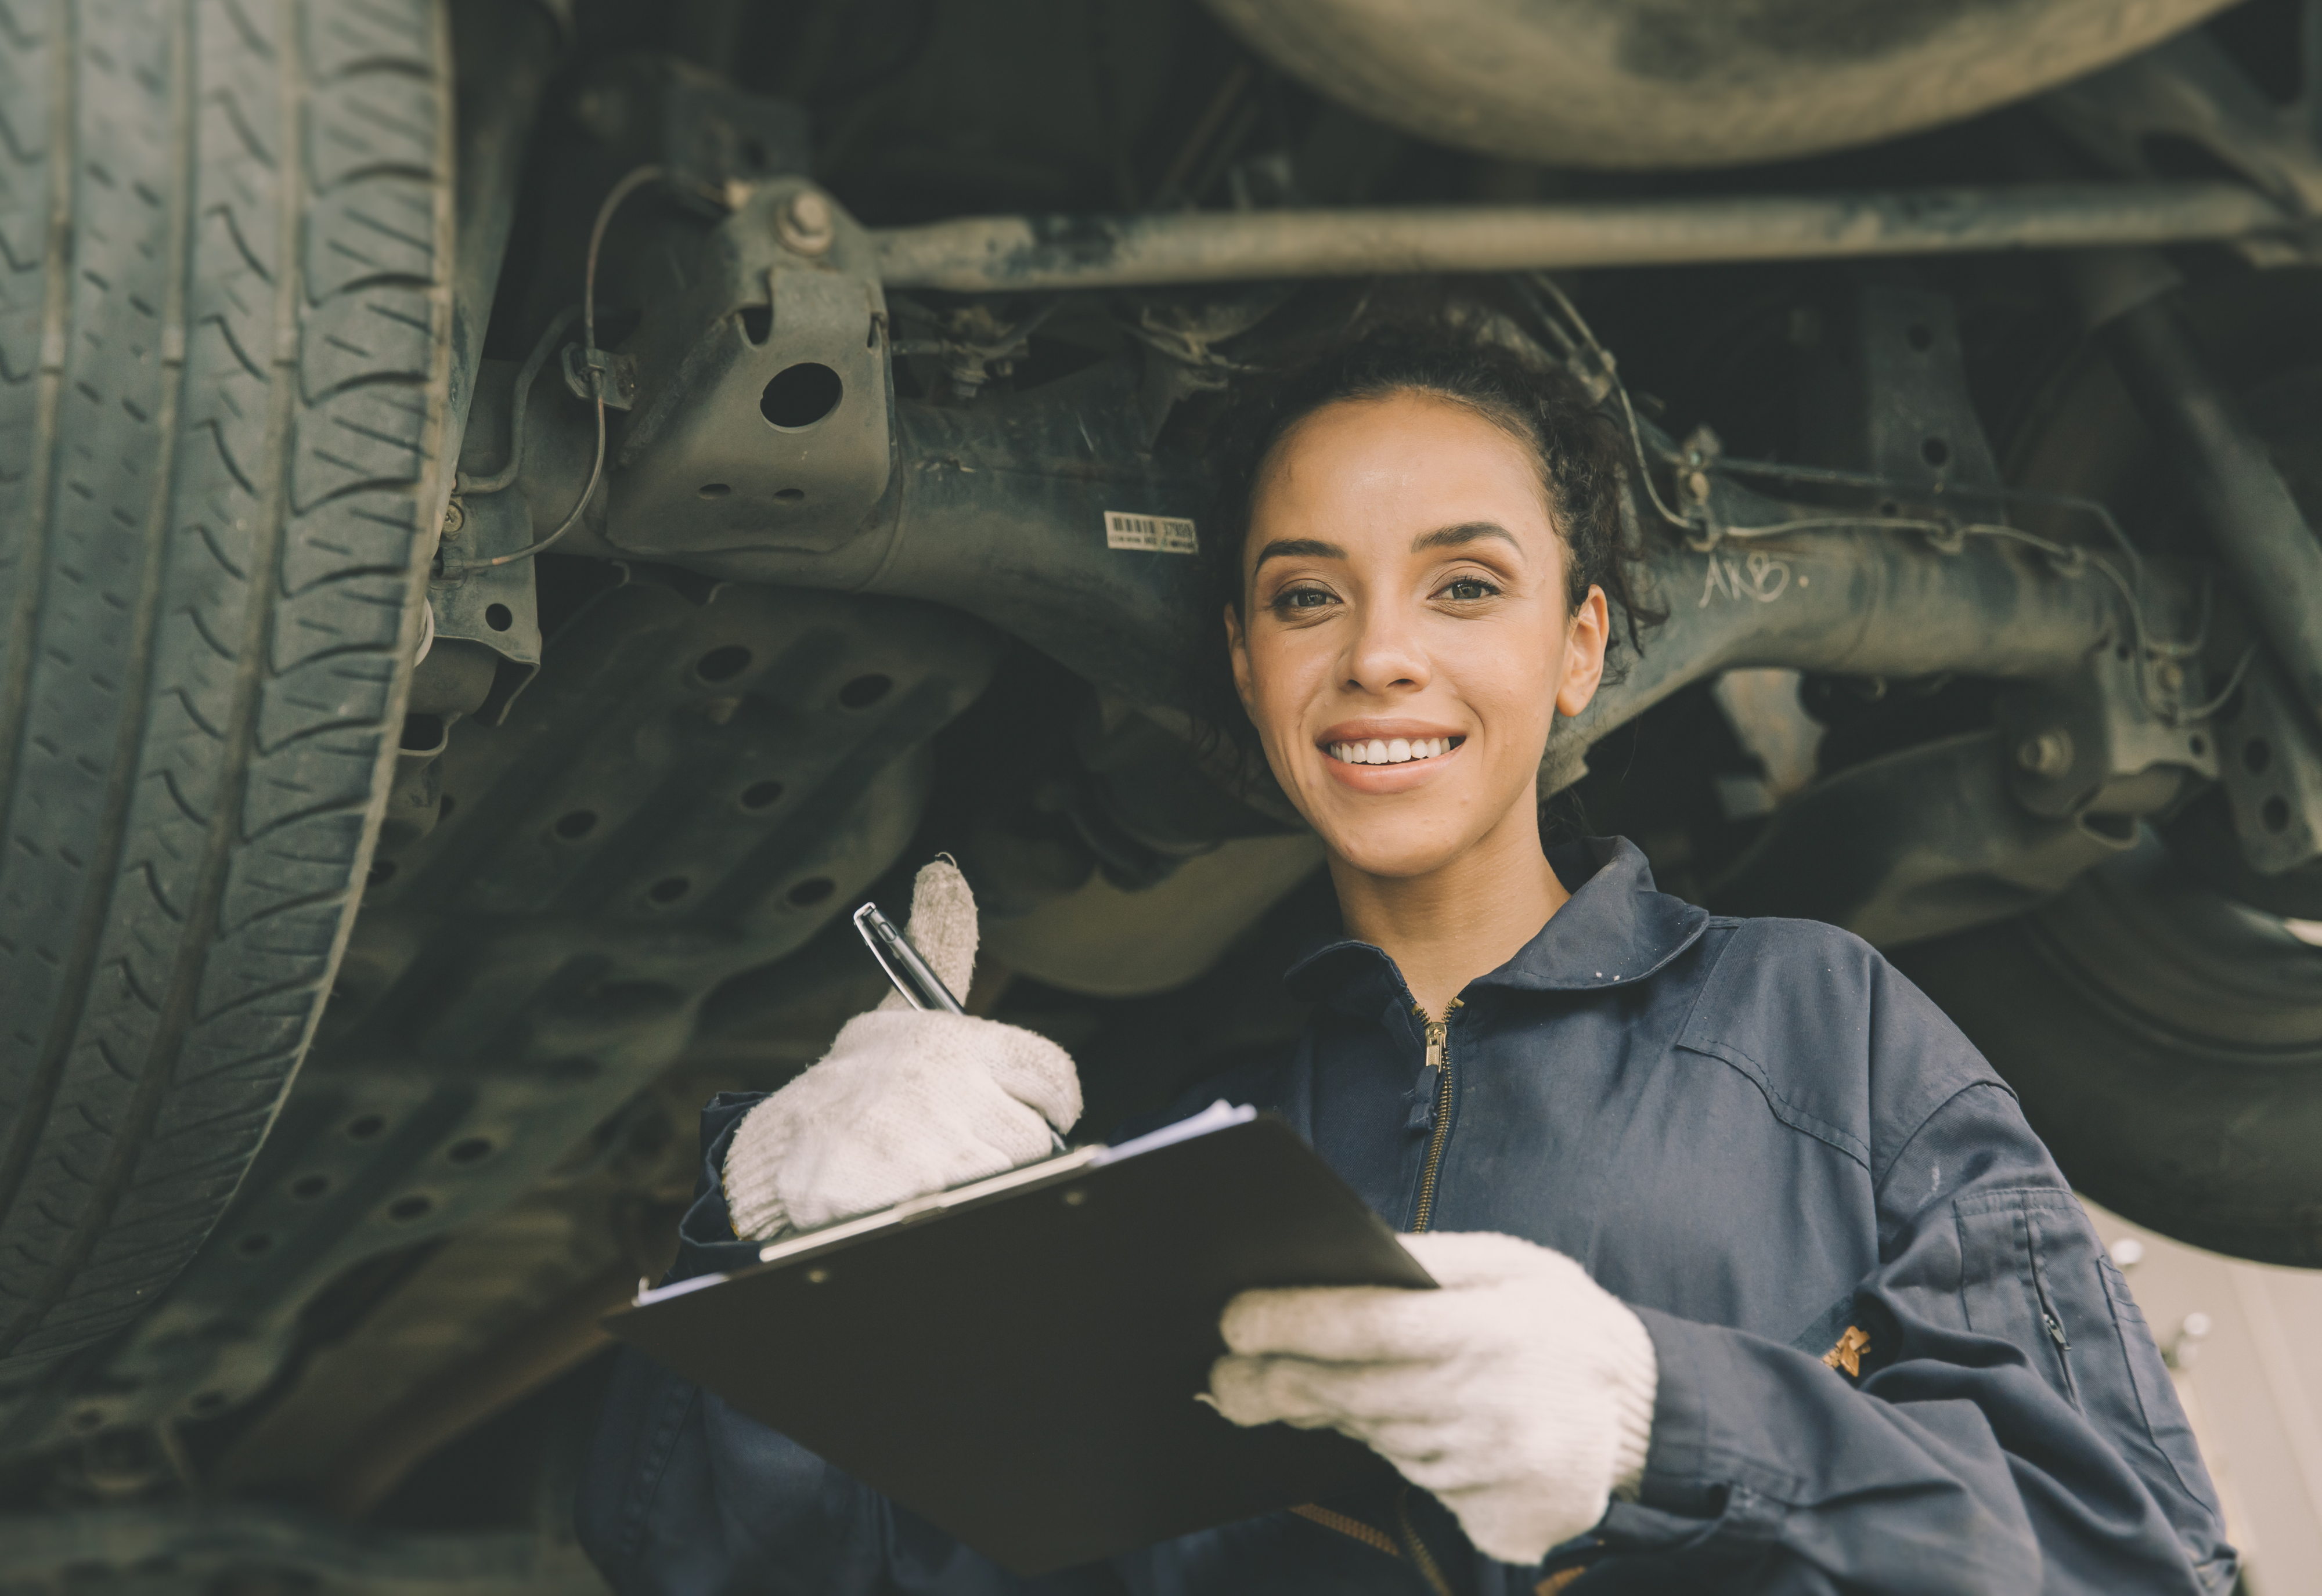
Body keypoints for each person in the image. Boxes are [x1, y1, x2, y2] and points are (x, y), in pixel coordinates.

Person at [578, 326, 2237, 1594]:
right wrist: (780, 1234)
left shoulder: (1823, 1027)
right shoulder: (1164, 1135)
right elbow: (758, 1565)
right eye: (1309, 597)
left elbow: (2131, 1551)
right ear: (1243, 659)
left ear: (1580, 644)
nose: (1381, 654)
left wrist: (1668, 1421)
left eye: (1464, 584)